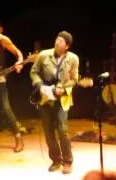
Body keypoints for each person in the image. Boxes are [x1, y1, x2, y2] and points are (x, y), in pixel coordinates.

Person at [30, 30, 79, 174]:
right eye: (57, 39)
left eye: (61, 41)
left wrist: (63, 88)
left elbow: (75, 79)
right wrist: (40, 86)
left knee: (62, 129)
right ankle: (56, 160)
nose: (58, 42)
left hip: (62, 98)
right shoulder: (44, 55)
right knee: (48, 130)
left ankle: (68, 161)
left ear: (67, 46)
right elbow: (34, 72)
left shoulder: (73, 59)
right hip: (45, 97)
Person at [0, 19, 24, 153]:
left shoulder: (3, 40)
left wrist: (20, 62)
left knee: (6, 107)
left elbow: (18, 53)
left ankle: (18, 137)